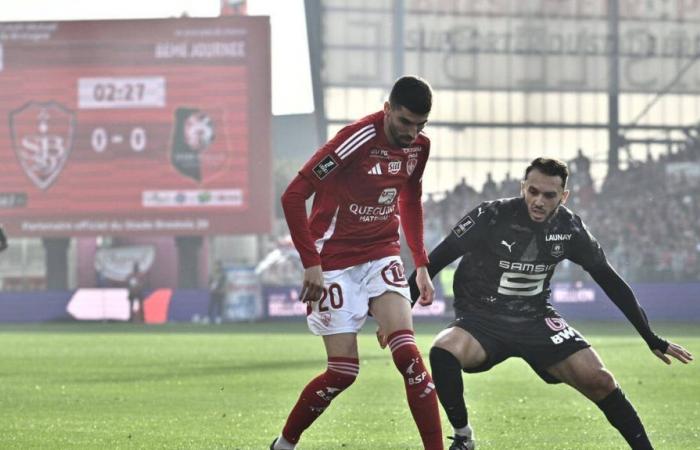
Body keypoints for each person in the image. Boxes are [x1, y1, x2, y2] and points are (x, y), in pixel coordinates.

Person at [409, 157, 693, 450]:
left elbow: (610, 280)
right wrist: (402, 319)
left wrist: (650, 337)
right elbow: (433, 262)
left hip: (536, 320)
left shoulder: (569, 228)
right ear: (523, 187)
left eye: (549, 195)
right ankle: (464, 437)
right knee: (443, 350)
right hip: (481, 319)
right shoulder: (490, 216)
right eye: (533, 191)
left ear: (563, 196)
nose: (539, 201)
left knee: (601, 381)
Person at [271, 75, 443, 450]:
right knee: (342, 373)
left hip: (381, 252)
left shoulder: (418, 149)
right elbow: (293, 196)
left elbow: (410, 200)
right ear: (387, 110)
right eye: (404, 123)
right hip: (332, 260)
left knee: (410, 356)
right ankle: (284, 444)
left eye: (420, 125)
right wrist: (310, 262)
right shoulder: (355, 140)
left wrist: (422, 262)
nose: (412, 133)